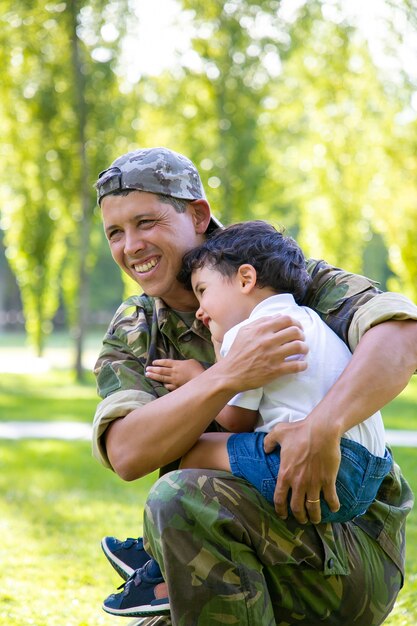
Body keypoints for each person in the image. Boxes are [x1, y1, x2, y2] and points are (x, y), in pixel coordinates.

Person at [92, 146, 416, 625]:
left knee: (179, 494)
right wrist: (227, 375)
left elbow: (403, 335)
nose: (130, 246)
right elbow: (126, 452)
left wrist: (322, 427)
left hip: (348, 539)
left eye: (146, 222)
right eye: (115, 233)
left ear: (198, 214)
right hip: (219, 538)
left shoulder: (277, 274)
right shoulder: (137, 327)